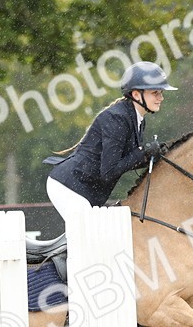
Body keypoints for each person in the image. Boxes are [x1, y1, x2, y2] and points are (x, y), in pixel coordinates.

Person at [44, 61, 177, 230]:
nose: (161, 97)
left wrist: (150, 155)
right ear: (136, 94)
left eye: (161, 92)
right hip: (69, 186)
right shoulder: (117, 118)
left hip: (85, 189)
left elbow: (126, 161)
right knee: (88, 239)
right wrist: (142, 152)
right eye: (155, 92)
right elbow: (109, 172)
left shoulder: (136, 119)